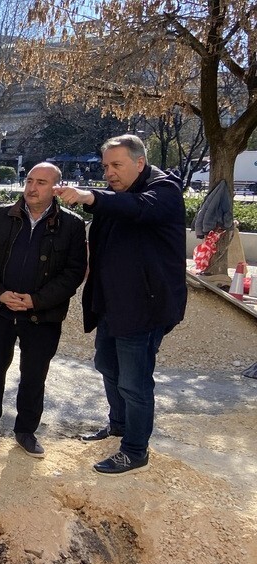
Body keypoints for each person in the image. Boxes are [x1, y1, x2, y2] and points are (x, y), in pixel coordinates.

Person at [54, 134, 186, 476]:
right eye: (105, 166)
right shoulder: (120, 192)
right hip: (112, 303)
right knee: (106, 365)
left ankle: (135, 450)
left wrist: (91, 196)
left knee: (134, 383)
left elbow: (137, 208)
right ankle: (119, 425)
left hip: (144, 307)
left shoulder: (163, 189)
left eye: (116, 165)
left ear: (140, 163)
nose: (108, 173)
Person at [0, 163, 87, 457]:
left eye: (41, 183)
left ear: (56, 188)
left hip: (42, 315)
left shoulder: (71, 225)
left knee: (34, 375)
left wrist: (37, 300)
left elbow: (74, 272)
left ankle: (25, 431)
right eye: (30, 181)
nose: (32, 188)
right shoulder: (2, 216)